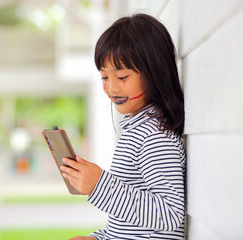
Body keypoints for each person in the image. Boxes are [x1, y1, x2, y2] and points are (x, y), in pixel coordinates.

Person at [60, 13, 186, 240]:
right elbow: (128, 225)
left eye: (122, 76)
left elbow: (169, 215)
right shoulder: (135, 131)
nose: (111, 88)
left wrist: (100, 185)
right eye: (104, 78)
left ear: (154, 72)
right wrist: (97, 238)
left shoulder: (154, 137)